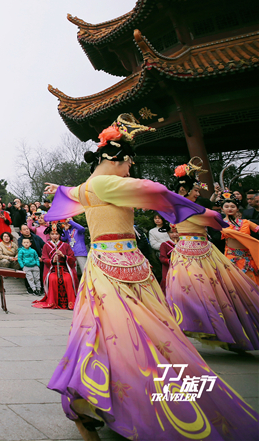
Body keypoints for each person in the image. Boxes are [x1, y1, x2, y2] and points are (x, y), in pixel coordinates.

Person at [41, 114, 256, 440]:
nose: (131, 169)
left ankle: (96, 400)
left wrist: (60, 188)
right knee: (141, 334)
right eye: (129, 163)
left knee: (107, 332)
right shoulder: (109, 183)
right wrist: (203, 213)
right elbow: (157, 192)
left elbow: (71, 193)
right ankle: (106, 400)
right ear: (119, 159)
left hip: (109, 268)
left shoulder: (87, 187)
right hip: (121, 269)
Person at [164, 158, 259, 352]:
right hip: (191, 251)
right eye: (195, 190)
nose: (198, 193)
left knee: (214, 291)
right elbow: (215, 218)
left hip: (195, 251)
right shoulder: (186, 208)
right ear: (183, 190)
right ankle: (198, 324)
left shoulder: (178, 208)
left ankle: (221, 329)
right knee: (198, 291)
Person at [32, 225, 76, 309]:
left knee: (68, 278)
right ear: (49, 235)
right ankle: (53, 301)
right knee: (53, 279)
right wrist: (52, 261)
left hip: (64, 268)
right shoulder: (46, 246)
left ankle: (70, 302)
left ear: (59, 235)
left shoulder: (65, 245)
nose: (54, 236)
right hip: (52, 269)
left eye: (56, 234)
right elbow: (44, 258)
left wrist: (63, 256)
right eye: (52, 234)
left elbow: (72, 258)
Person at [219, 193, 259, 285]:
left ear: (237, 208)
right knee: (235, 283)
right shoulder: (220, 223)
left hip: (247, 257)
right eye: (226, 206)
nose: (230, 208)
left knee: (251, 283)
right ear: (222, 209)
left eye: (233, 206)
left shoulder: (246, 222)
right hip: (231, 256)